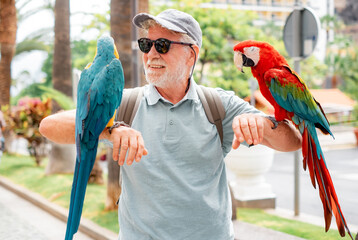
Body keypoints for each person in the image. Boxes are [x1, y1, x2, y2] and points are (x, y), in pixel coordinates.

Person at [39, 9, 302, 240]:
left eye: (162, 44)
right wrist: (111, 129)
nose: (151, 53)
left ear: (191, 55)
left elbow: (293, 141)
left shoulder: (219, 104)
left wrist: (262, 125)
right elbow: (49, 126)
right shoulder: (124, 103)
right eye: (146, 44)